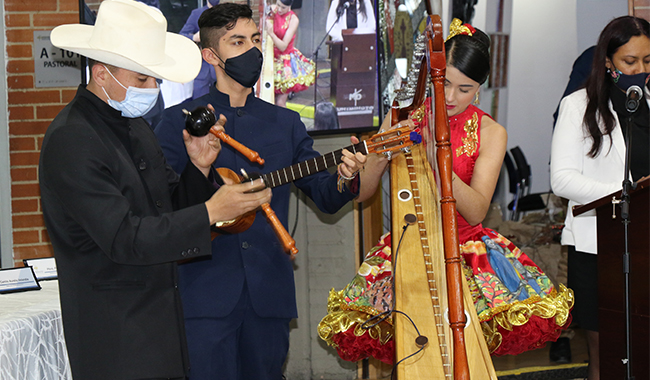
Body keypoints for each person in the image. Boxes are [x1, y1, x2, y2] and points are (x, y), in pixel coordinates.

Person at [38, 1, 272, 379]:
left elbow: (170, 208)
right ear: (101, 74)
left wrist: (199, 167)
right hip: (117, 333)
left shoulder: (134, 127)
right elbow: (125, 237)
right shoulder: (73, 139)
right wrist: (213, 211)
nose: (153, 89)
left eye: (155, 80)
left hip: (160, 320)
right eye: (142, 80)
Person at [154, 3, 387, 379]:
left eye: (257, 39)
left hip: (268, 293)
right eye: (238, 41)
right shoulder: (177, 122)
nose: (253, 50)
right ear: (211, 55)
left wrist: (346, 176)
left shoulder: (286, 123)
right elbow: (162, 207)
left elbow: (325, 196)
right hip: (203, 294)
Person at [319, 19, 574, 362]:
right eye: (444, 84)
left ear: (480, 87)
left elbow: (476, 210)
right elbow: (364, 192)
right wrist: (378, 154)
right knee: (413, 354)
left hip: (465, 255)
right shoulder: (403, 117)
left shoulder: (491, 131)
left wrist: (437, 159)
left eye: (465, 88)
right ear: (431, 79)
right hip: (408, 250)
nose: (451, 97)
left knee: (462, 356)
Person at [551, 16, 650, 380]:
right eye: (630, 61)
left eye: (648, 61)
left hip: (645, 244)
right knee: (604, 358)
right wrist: (626, 194)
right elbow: (561, 179)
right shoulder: (579, 106)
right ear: (607, 60)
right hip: (598, 247)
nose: (640, 70)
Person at [265, 0, 315, 107]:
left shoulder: (293, 20)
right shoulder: (273, 11)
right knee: (269, 99)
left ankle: (285, 123)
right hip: (271, 58)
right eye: (278, 5)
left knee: (280, 102)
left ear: (290, 6)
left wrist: (271, 34)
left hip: (285, 62)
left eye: (283, 7)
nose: (279, 9)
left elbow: (283, 46)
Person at [179, 0, 219, 99]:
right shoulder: (196, 13)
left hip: (220, 67)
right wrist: (194, 38)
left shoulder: (225, 14)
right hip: (202, 68)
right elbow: (181, 36)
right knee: (200, 104)